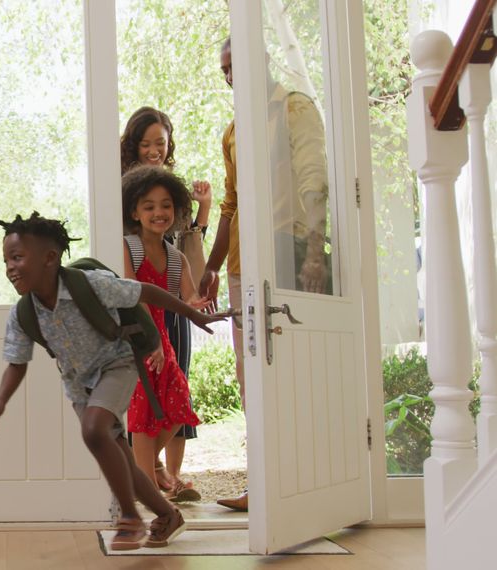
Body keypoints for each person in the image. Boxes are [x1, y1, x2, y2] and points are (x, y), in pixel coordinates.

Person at [0, 212, 224, 549]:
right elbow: (17, 363)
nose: (10, 267)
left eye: (18, 257)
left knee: (94, 429)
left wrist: (194, 314)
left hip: (118, 364)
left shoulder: (91, 284)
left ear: (50, 258)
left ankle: (129, 518)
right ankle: (168, 515)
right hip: (80, 385)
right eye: (7, 259)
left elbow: (148, 292)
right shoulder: (24, 313)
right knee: (121, 458)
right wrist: (0, 401)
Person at [200, 38, 332, 512]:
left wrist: (314, 252)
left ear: (265, 61)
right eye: (225, 70)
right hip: (242, 267)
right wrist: (212, 266)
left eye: (238, 65)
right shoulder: (234, 131)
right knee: (250, 376)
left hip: (289, 255)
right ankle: (263, 484)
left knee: (293, 373)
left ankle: (306, 486)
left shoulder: (295, 109)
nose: (232, 76)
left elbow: (314, 180)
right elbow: (231, 204)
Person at [120, 107, 212, 502]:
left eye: (166, 207)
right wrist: (150, 341)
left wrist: (200, 301)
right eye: (149, 207)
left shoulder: (176, 256)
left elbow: (188, 297)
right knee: (142, 412)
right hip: (139, 338)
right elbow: (128, 294)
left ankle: (148, 475)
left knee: (178, 403)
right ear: (134, 212)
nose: (159, 213)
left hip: (164, 339)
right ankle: (147, 489)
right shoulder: (130, 246)